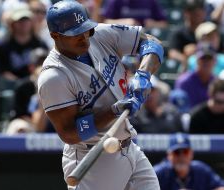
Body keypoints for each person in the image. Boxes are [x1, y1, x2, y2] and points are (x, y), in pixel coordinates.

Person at [37, 0, 164, 189]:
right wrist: (113, 110)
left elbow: (152, 42)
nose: (84, 37)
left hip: (129, 147)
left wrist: (144, 74)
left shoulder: (99, 34)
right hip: (93, 157)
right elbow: (69, 133)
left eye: (85, 29)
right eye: (75, 34)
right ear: (55, 35)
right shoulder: (53, 76)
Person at [0, 2, 48, 80]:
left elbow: (44, 68)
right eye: (20, 20)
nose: (24, 23)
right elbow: (2, 71)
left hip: (35, 85)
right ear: (12, 24)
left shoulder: (40, 44)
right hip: (12, 87)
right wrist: (19, 83)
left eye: (27, 19)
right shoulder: (3, 47)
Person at [154, 133, 224, 190]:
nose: (181, 157)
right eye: (177, 152)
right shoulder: (160, 172)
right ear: (169, 155)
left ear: (191, 154)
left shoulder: (201, 170)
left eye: (185, 152)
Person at [175, 42, 216, 109]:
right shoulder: (184, 81)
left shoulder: (216, 82)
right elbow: (180, 108)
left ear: (214, 61)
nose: (206, 62)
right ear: (197, 60)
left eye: (209, 59)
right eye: (203, 58)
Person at [168, 0, 207, 68]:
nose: (198, 15)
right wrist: (188, 60)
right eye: (194, 12)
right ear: (186, 13)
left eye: (200, 11)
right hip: (187, 68)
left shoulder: (210, 31)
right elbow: (172, 53)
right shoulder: (178, 32)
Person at [101, 0, 167, 28]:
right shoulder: (115, 1)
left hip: (146, 39)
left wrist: (153, 23)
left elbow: (164, 24)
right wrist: (126, 22)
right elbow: (105, 22)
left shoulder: (150, 1)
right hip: (121, 39)